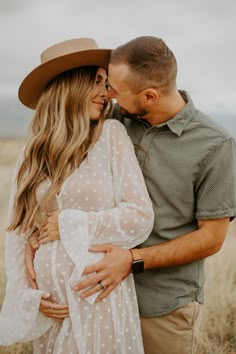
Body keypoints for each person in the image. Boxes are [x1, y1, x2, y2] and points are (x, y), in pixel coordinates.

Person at [43, 36, 235, 354]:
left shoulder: (215, 145)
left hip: (162, 305)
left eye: (115, 90)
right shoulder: (113, 120)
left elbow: (211, 239)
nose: (109, 96)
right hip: (102, 297)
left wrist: (132, 260)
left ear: (149, 95)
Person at [0, 38, 154, 354]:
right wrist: (31, 293)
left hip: (96, 295)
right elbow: (17, 231)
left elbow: (139, 215)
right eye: (96, 81)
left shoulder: (111, 136)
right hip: (52, 306)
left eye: (106, 82)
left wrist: (70, 223)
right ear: (70, 86)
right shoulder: (33, 151)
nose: (105, 92)